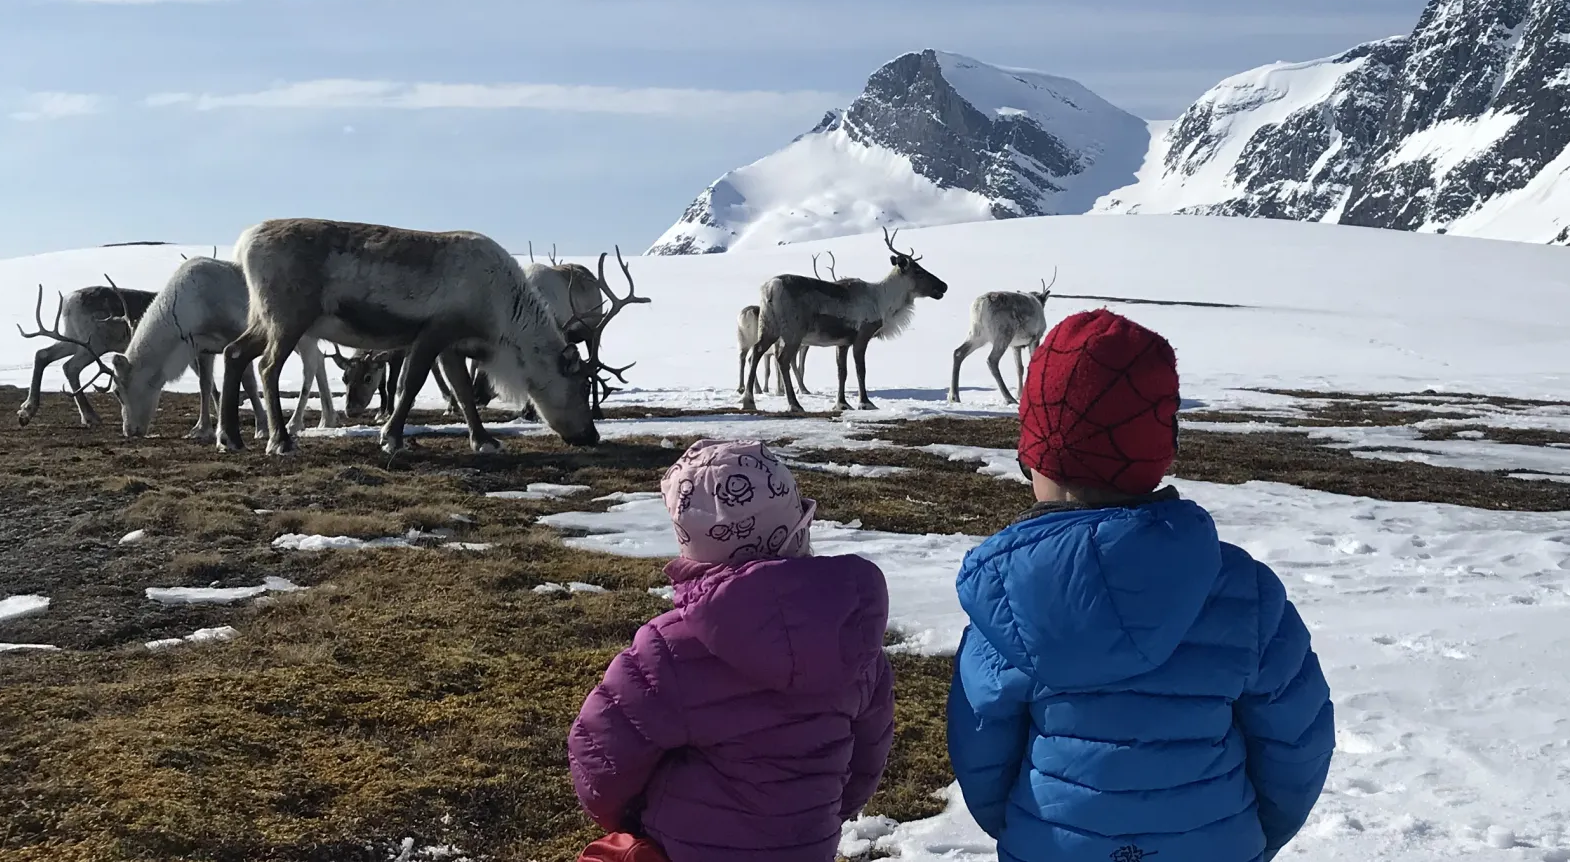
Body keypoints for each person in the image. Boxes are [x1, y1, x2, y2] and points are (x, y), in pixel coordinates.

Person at [947, 308, 1335, 862]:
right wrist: (1247, 837)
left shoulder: (1005, 600)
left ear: (1031, 453)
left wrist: (1021, 829)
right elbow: (1297, 747)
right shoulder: (1246, 594)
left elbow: (980, 753)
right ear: (1161, 448)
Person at [567, 438, 895, 862]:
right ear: (799, 528)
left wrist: (628, 820)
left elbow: (601, 758)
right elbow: (867, 760)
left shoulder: (668, 649)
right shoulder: (853, 639)